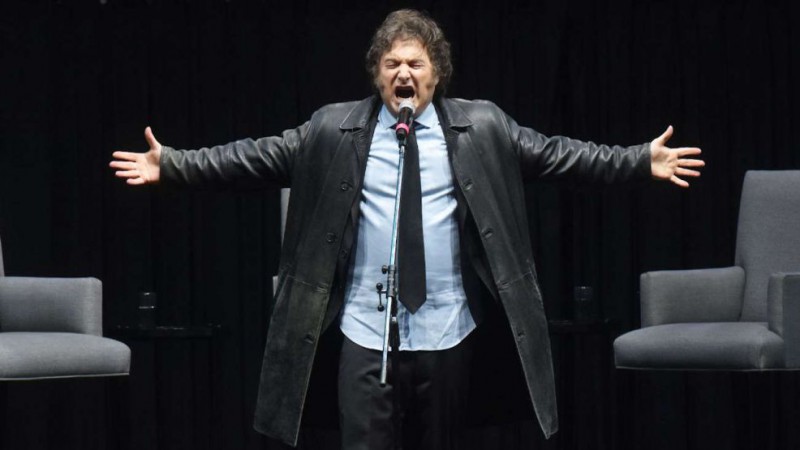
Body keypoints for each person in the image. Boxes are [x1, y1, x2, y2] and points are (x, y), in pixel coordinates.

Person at [110, 9, 703, 450]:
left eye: (414, 63)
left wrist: (636, 159)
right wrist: (174, 164)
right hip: (366, 335)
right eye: (391, 63)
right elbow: (251, 158)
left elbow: (559, 155)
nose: (402, 72)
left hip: (450, 331)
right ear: (376, 74)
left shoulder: (484, 126)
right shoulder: (331, 129)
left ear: (436, 74)